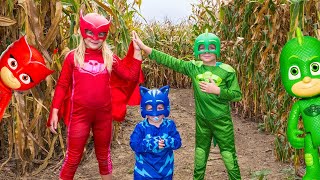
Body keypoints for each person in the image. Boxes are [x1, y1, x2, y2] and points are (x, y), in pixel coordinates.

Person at [132, 30, 242, 180]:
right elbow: (170, 61)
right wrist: (144, 48)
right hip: (202, 122)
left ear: (217, 49)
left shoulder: (227, 71)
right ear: (197, 50)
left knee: (229, 157)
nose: (207, 52)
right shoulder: (194, 67)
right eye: (202, 48)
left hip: (222, 123)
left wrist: (217, 91)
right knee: (200, 157)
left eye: (211, 47)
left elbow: (237, 95)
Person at [47, 11, 142, 180]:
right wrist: (54, 110)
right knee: (73, 158)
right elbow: (62, 85)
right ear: (82, 31)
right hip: (79, 116)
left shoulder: (109, 57)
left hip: (104, 117)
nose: (95, 38)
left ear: (105, 35)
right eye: (90, 32)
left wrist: (137, 52)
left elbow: (131, 76)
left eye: (101, 34)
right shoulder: (72, 57)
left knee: (104, 158)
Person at [130, 85, 182, 180]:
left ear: (166, 107)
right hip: (144, 172)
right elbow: (134, 144)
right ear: (144, 109)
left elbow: (178, 142)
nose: (155, 113)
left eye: (159, 108)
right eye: (150, 109)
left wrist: (167, 142)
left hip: (165, 171)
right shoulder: (141, 127)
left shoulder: (169, 125)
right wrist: (151, 143)